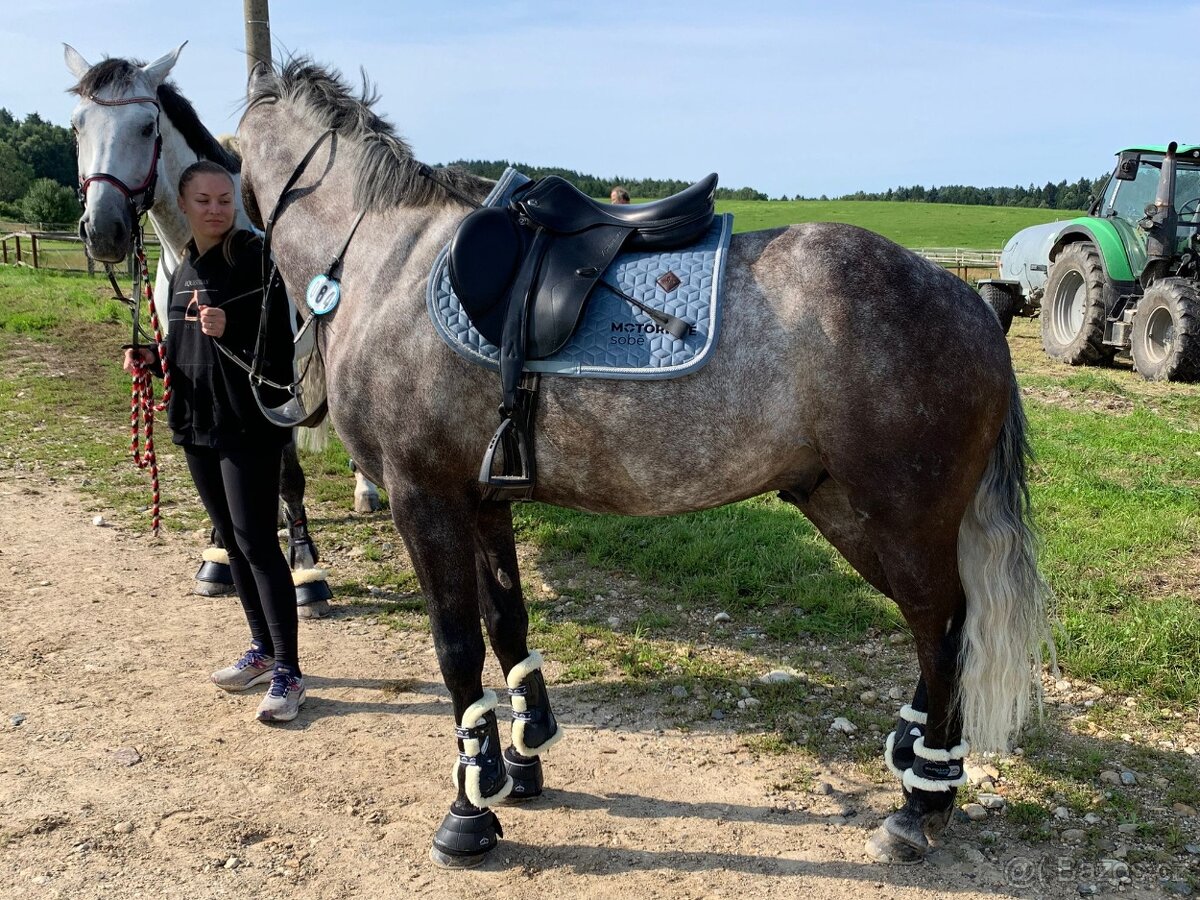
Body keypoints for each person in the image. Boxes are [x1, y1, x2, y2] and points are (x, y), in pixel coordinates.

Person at [123, 160, 305, 723]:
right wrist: (153, 361)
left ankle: (289, 673)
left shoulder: (255, 259)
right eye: (203, 200)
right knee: (230, 539)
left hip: (247, 425)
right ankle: (263, 649)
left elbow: (284, 349)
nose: (215, 209)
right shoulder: (182, 270)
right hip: (197, 424)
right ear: (184, 205)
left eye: (224, 199)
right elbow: (185, 350)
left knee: (258, 543)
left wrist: (238, 329)